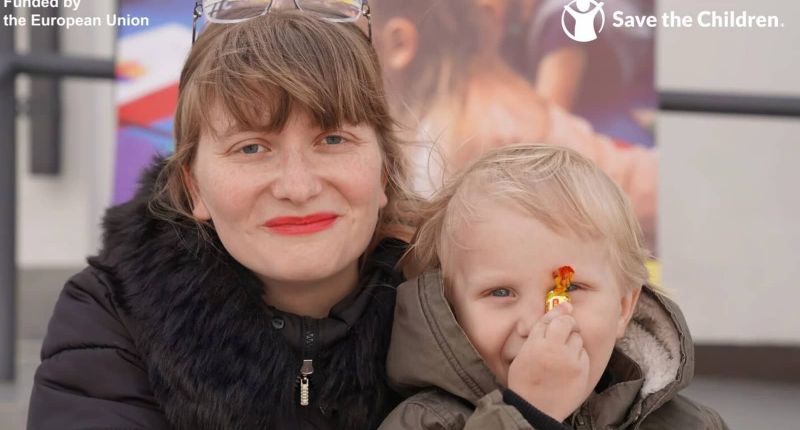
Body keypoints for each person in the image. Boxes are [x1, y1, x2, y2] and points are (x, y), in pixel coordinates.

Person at [27, 7, 420, 430]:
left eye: (333, 139)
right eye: (251, 148)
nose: (298, 187)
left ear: (384, 171)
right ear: (193, 186)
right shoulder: (111, 316)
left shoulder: (457, 306)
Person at [379, 144, 728, 429]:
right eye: (500, 292)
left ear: (623, 308)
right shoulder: (426, 422)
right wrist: (530, 414)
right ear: (453, 311)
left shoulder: (692, 424)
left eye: (569, 288)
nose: (538, 322)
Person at [371, 0, 658, 251]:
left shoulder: (461, 134)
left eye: (367, 28)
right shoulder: (491, 96)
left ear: (399, 42)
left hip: (644, 206)